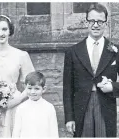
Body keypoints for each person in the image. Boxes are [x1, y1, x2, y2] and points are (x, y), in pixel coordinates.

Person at [63, 3, 118, 137]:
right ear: (86, 22)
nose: (96, 25)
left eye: (100, 21)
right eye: (92, 21)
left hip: (105, 107)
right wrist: (69, 118)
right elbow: (67, 88)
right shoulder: (73, 51)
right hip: (82, 108)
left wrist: (113, 87)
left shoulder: (115, 50)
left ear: (106, 23)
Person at [12, 71, 58, 138]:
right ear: (25, 87)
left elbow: (54, 132)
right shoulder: (21, 108)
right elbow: (16, 132)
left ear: (44, 89)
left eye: (36, 89)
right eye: (29, 88)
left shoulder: (49, 107)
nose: (32, 92)